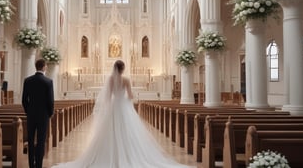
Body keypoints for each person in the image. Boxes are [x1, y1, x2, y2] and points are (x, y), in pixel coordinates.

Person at [52, 60, 195, 168]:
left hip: (113, 107)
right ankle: (127, 155)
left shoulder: (110, 79)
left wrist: (108, 107)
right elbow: (131, 96)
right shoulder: (126, 80)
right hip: (123, 107)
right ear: (123, 68)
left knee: (109, 132)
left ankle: (108, 156)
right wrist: (126, 100)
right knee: (128, 131)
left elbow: (107, 97)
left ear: (114, 68)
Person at [22, 58, 54, 168]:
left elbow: (24, 100)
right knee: (41, 140)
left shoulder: (28, 80)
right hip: (43, 115)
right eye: (46, 66)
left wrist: (28, 111)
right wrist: (50, 113)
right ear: (44, 67)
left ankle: (31, 164)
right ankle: (38, 165)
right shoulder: (48, 81)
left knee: (30, 140)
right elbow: (50, 101)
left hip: (31, 115)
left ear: (36, 67)